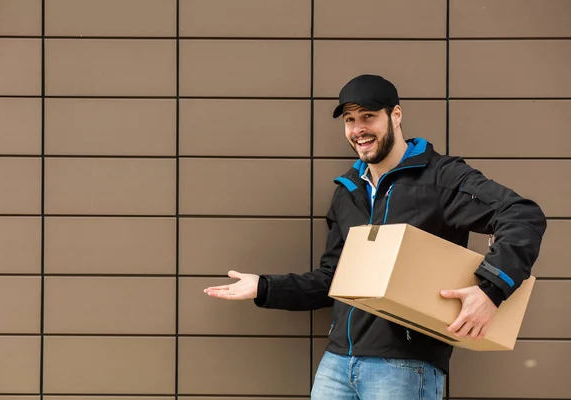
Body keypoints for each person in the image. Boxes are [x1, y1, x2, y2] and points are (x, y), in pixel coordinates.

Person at [203, 74, 547, 399]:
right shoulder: (348, 192)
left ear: (395, 115)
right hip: (338, 362)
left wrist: (491, 290)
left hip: (405, 364)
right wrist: (264, 287)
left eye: (368, 116)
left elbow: (522, 215)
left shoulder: (441, 177)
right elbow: (332, 279)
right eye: (350, 120)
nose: (359, 129)